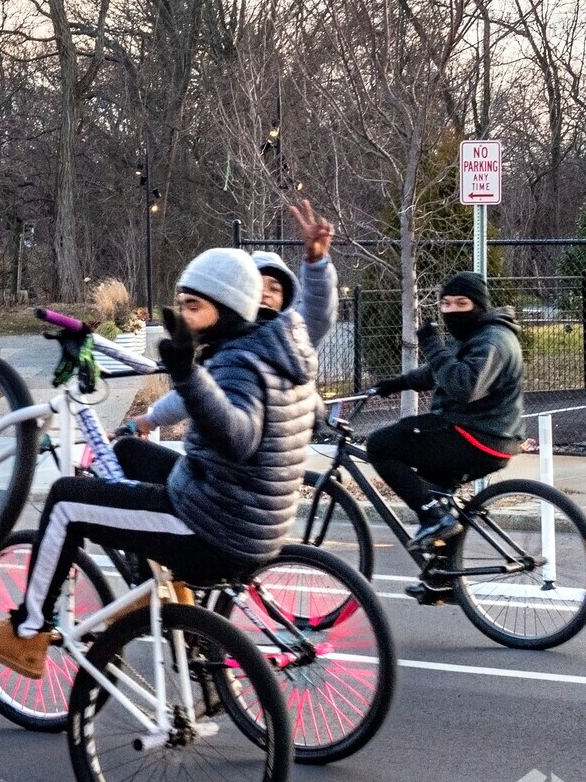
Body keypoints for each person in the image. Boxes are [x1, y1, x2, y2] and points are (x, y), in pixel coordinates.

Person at [0, 248, 320, 678]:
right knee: (125, 454)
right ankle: (162, 587)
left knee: (67, 501)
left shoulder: (238, 360)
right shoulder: (274, 345)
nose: (182, 317)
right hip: (243, 513)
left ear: (228, 307)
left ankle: (26, 634)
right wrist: (157, 410)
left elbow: (238, 437)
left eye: (193, 307)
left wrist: (187, 373)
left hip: (215, 529)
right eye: (180, 304)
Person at [119, 202, 337, 475]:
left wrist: (316, 265)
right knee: (128, 455)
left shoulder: (288, 341)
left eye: (275, 288)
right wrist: (151, 419)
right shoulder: (229, 342)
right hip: (227, 478)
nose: (266, 293)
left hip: (234, 485)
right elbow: (198, 393)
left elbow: (318, 314)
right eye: (258, 285)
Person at [364, 270, 525, 600]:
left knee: (380, 444)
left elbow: (462, 385)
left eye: (461, 303)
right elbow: (438, 371)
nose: (451, 310)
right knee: (437, 494)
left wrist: (432, 344)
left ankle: (433, 518)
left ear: (479, 305)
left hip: (477, 435)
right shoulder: (473, 335)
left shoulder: (493, 340)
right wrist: (397, 383)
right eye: (446, 303)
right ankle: (442, 579)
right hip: (483, 434)